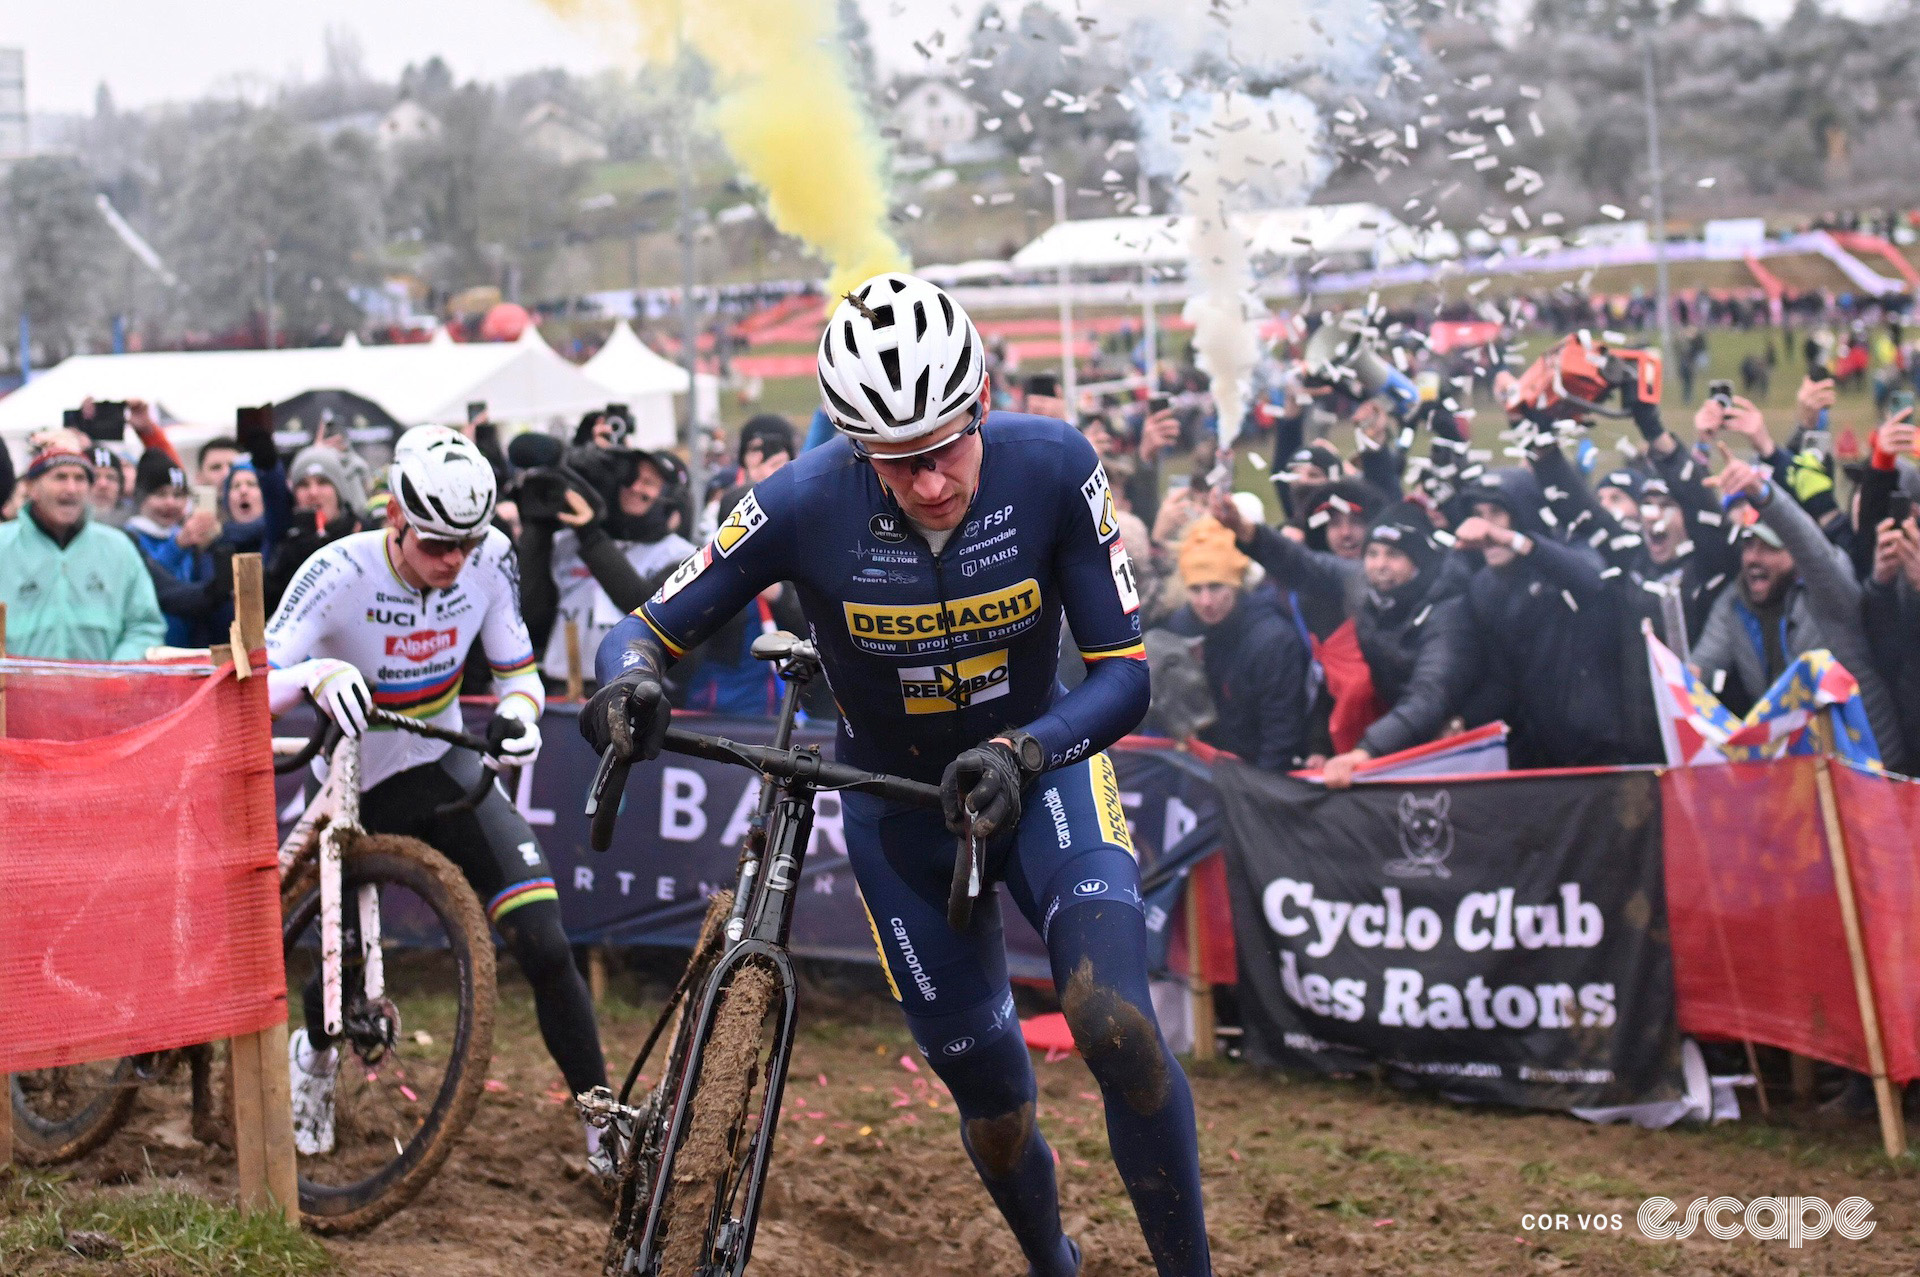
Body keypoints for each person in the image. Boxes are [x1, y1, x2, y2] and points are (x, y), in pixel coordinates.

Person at [583, 272, 1208, 1277]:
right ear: (850, 442)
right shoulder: (799, 498)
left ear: (984, 403)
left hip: (1043, 776)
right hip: (900, 813)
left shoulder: (1053, 466)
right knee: (996, 1105)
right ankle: (1057, 1261)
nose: (927, 482)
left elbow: (1124, 675)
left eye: (945, 447)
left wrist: (1023, 751)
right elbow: (640, 630)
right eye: (895, 460)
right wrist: (629, 685)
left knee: (1116, 1021)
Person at [265, 426, 607, 1163]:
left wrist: (520, 710)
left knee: (545, 939)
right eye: (436, 545)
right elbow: (257, 683)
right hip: (358, 780)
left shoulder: (489, 559)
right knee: (342, 964)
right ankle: (315, 1061)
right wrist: (313, 677)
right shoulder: (335, 571)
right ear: (394, 517)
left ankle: (600, 1121)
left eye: (468, 542)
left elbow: (518, 670)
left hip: (446, 764)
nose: (454, 561)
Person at [1694, 451, 1906, 770]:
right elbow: (1702, 665)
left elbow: (1812, 549)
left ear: (1794, 557)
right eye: (1749, 545)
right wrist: (1680, 684)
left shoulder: (1828, 596)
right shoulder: (1734, 604)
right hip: (1805, 773)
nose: (1753, 558)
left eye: (1768, 547)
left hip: (1876, 768)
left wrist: (1763, 494)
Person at [1456, 469, 1630, 769]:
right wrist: (1463, 721)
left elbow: (1591, 581)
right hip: (1539, 748)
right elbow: (1502, 678)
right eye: (1478, 515)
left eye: (1497, 513)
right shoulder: (1483, 587)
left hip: (1599, 746)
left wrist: (1514, 541)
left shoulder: (1567, 556)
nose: (1486, 529)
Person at [1322, 502, 1470, 787]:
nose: (1380, 565)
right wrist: (1250, 534)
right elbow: (1302, 563)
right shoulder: (1368, 593)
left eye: (1393, 555)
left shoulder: (1447, 612)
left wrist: (1367, 750)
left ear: (1417, 562)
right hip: (1410, 727)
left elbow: (1429, 693)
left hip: (1457, 732)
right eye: (1373, 554)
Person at [1155, 517, 1311, 771]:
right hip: (1209, 768)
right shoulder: (1182, 629)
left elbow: (1281, 733)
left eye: (1216, 587)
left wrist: (1257, 794)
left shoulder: (1273, 640)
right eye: (1196, 589)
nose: (1206, 601)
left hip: (1258, 772)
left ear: (1236, 585)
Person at [0, 445, 166, 660]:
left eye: (80, 479)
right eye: (60, 477)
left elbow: (145, 626)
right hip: (17, 691)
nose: (71, 488)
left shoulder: (118, 548)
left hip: (102, 691)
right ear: (32, 488)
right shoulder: (3, 545)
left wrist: (115, 675)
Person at [123, 449, 230, 648]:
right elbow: (155, 583)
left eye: (178, 495)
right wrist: (177, 546)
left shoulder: (187, 536)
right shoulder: (130, 536)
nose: (170, 503)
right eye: (161, 494)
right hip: (151, 648)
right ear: (142, 497)